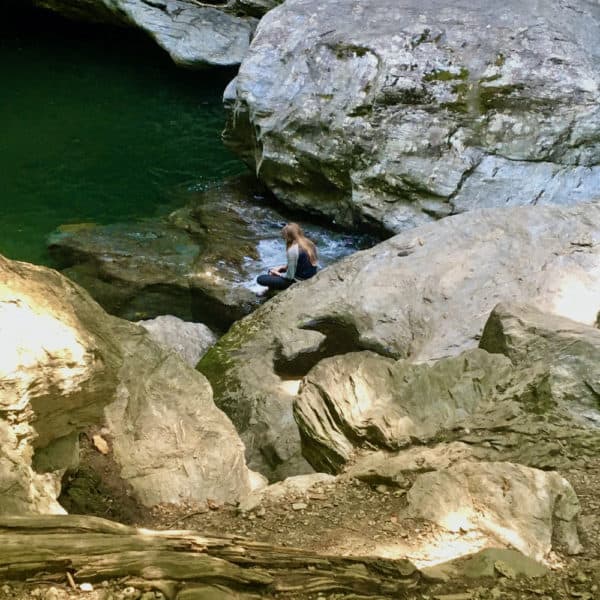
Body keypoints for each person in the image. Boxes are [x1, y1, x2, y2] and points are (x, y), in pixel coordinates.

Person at [257, 223, 318, 292]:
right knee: (276, 270)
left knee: (261, 278)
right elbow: (303, 262)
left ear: (287, 237)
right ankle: (272, 288)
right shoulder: (309, 242)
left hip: (299, 280)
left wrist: (278, 274)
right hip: (310, 275)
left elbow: (289, 277)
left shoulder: (292, 250)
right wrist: (283, 267)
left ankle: (270, 291)